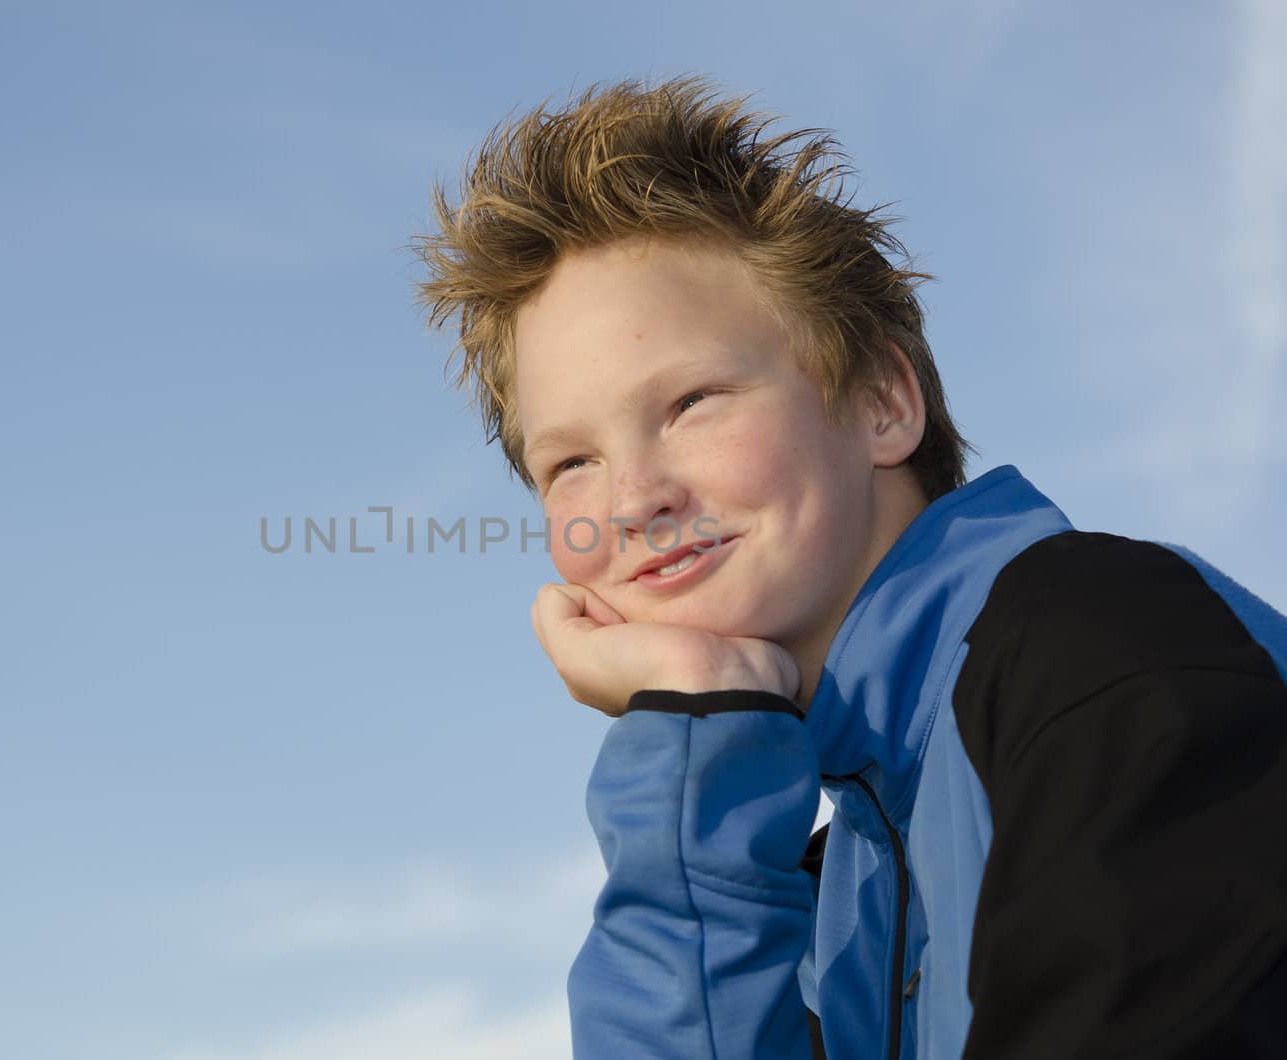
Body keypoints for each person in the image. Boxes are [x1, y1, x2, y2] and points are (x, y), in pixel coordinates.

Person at [413, 76, 1287, 1058]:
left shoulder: (1103, 654)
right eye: (569, 461)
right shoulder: (838, 886)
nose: (630, 499)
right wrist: (697, 739)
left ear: (880, 401)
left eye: (692, 401)